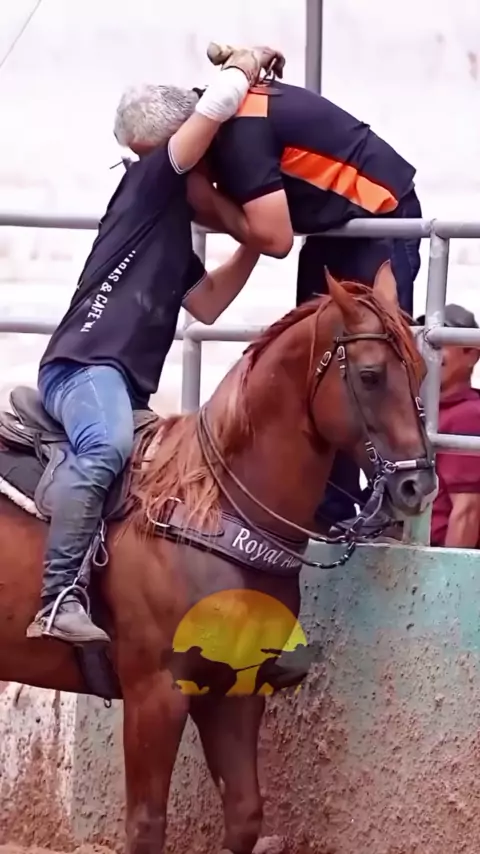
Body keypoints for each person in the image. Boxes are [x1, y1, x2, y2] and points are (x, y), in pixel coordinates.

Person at [27, 45, 285, 645]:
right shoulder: (149, 178)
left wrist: (253, 243)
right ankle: (58, 597)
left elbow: (209, 302)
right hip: (84, 367)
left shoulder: (161, 228)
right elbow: (218, 105)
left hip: (111, 378)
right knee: (105, 447)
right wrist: (245, 63)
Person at [204, 75, 422, 532]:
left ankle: (390, 498)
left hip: (380, 213)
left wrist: (202, 202)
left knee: (378, 357)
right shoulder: (231, 118)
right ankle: (332, 506)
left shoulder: (241, 134)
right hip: (332, 226)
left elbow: (275, 238)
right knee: (324, 364)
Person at [417, 305, 480, 548]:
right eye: (427, 341)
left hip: (431, 555)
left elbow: (468, 512)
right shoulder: (416, 409)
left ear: (472, 354)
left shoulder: (467, 415)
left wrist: (443, 572)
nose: (429, 352)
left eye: (441, 343)